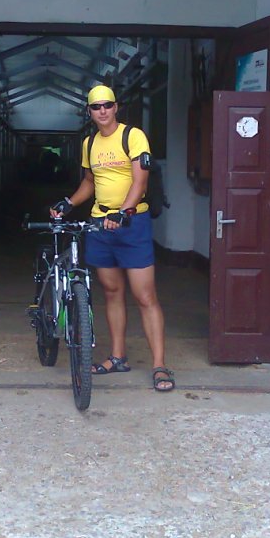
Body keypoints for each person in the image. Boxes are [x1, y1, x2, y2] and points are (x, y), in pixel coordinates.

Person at [49, 85, 175, 393]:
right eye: (96, 107)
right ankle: (118, 357)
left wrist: (122, 212)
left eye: (107, 105)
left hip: (132, 224)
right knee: (111, 291)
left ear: (116, 107)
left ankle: (159, 365)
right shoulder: (89, 143)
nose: (102, 110)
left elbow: (140, 181)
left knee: (145, 296)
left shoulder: (133, 136)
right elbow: (90, 181)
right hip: (100, 225)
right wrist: (69, 203)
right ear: (89, 112)